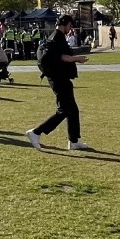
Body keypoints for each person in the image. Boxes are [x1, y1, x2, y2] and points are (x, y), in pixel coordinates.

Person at [26, 16, 91, 151]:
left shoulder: (55, 36)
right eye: (70, 25)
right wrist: (78, 59)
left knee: (73, 110)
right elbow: (63, 57)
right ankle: (36, 132)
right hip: (58, 79)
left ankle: (74, 141)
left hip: (61, 78)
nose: (71, 28)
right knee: (64, 110)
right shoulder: (57, 37)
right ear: (64, 24)